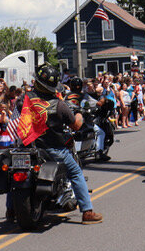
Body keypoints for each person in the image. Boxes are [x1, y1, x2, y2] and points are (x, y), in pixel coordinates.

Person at [29, 64, 102, 223]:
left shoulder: (25, 100)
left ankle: (10, 210)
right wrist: (79, 114)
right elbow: (75, 125)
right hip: (52, 148)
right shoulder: (59, 104)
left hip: (28, 147)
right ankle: (87, 212)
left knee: (19, 169)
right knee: (76, 173)